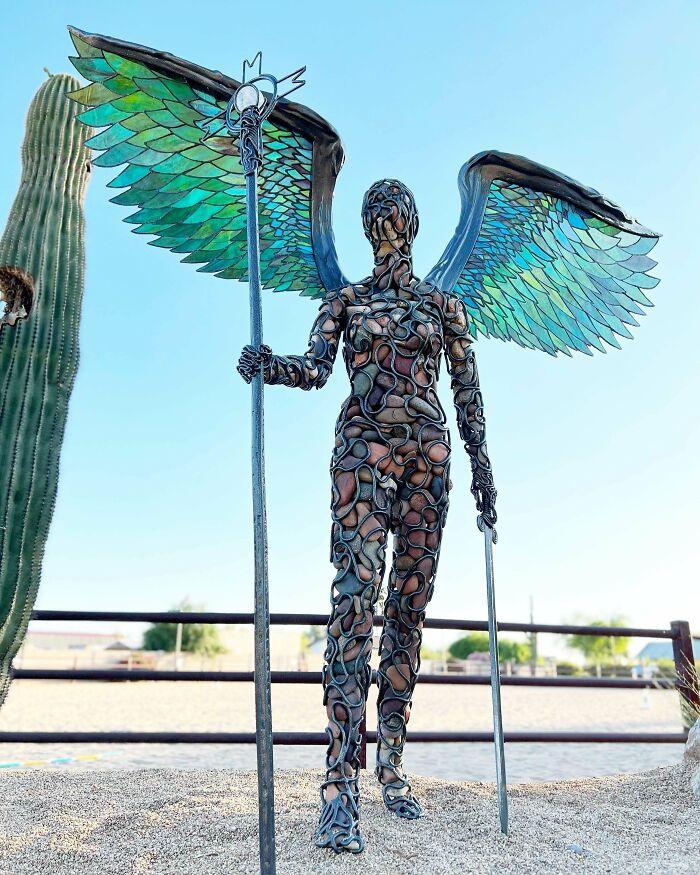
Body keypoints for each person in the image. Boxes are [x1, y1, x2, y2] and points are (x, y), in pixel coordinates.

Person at [237, 179, 496, 853]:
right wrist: (271, 364)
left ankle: (391, 763)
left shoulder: (444, 305)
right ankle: (337, 785)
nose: (386, 212)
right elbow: (317, 368)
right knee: (354, 603)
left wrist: (483, 471)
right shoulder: (345, 302)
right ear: (367, 226)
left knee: (408, 611)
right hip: (362, 453)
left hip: (427, 463)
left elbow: (468, 393)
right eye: (377, 206)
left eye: (396, 204)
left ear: (410, 222)